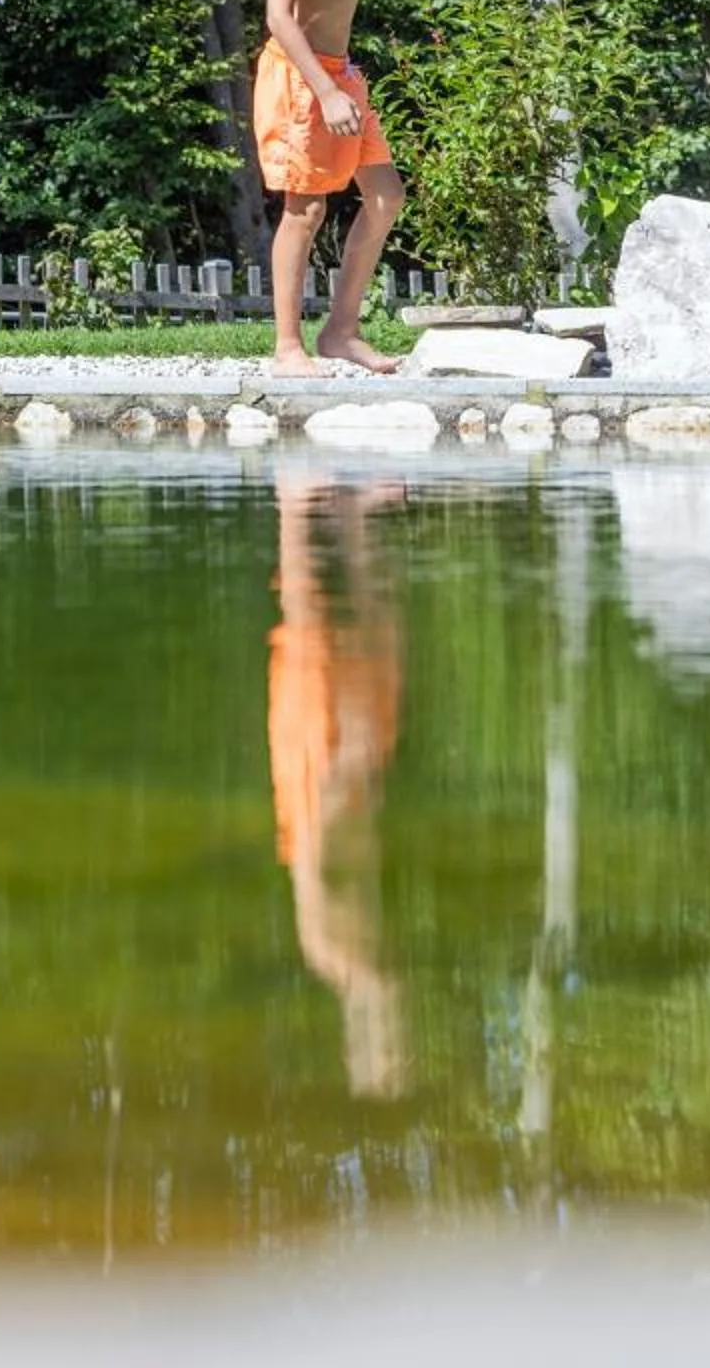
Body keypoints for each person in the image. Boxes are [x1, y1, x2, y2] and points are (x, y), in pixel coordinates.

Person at [266, 469, 407, 1098]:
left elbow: (314, 865)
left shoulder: (332, 954)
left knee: (311, 630)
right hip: (345, 780)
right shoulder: (368, 960)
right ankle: (346, 516)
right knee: (374, 635)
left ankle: (303, 506)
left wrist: (335, 788)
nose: (399, 1023)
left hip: (321, 781)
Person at [257, 0, 404, 378]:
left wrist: (340, 83)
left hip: (339, 75)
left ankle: (341, 330)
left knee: (386, 197)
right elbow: (277, 14)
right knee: (305, 208)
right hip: (303, 78)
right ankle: (287, 347)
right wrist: (323, 89)